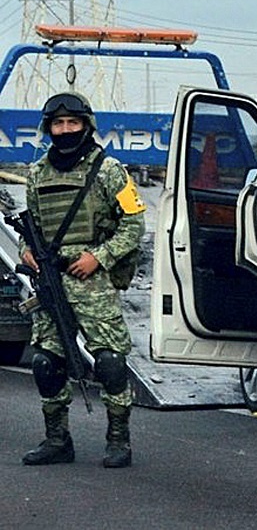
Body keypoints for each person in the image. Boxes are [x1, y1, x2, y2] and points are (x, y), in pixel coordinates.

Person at [19, 92, 146, 468]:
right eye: (57, 124)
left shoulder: (109, 170)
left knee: (108, 362)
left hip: (93, 280)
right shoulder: (37, 173)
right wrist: (27, 250)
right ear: (49, 128)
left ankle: (118, 440)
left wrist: (99, 257)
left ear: (85, 125)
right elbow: (33, 228)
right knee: (45, 362)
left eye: (72, 123)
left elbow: (133, 223)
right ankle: (57, 440)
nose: (65, 130)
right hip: (53, 279)